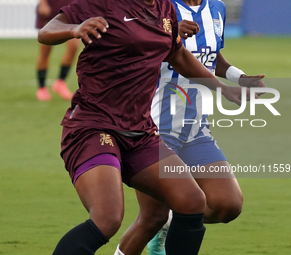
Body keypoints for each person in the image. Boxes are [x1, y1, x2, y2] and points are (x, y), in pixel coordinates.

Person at [37, 0, 253, 254]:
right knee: (108, 219)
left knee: (192, 202)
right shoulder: (105, 3)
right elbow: (47, 31)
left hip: (140, 132)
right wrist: (75, 29)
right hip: (94, 126)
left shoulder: (164, 8)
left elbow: (178, 54)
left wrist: (223, 88)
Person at [114, 0, 266, 255]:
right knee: (152, 218)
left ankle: (174, 218)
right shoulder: (160, 7)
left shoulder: (216, 8)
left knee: (227, 205)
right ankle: (166, 221)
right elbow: (134, 43)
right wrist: (165, 32)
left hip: (196, 130)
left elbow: (210, 54)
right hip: (154, 130)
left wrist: (238, 77)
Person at [35, 0, 80, 101]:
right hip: (50, 8)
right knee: (45, 50)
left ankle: (60, 82)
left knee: (74, 46)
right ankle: (42, 88)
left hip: (69, 9)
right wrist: (43, 3)